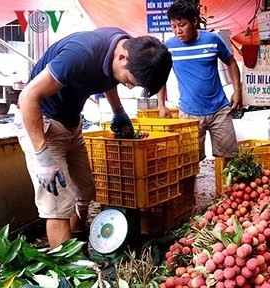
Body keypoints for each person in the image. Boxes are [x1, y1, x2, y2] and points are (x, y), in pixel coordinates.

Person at [15, 27, 172, 249]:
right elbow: (28, 96)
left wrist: (119, 111)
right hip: (42, 123)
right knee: (59, 203)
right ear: (122, 57)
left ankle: (78, 243)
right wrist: (42, 155)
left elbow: (108, 77)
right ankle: (67, 275)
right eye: (129, 80)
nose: (127, 85)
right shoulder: (80, 54)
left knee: (85, 189)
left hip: (71, 122)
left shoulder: (124, 44)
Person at [157, 1, 242, 161]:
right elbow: (161, 76)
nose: (178, 31)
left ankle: (228, 187)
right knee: (189, 162)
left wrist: (237, 92)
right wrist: (161, 104)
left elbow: (231, 62)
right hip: (188, 114)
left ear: (195, 21)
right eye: (173, 26)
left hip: (219, 111)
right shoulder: (169, 47)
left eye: (182, 25)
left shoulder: (212, 39)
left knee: (231, 160)